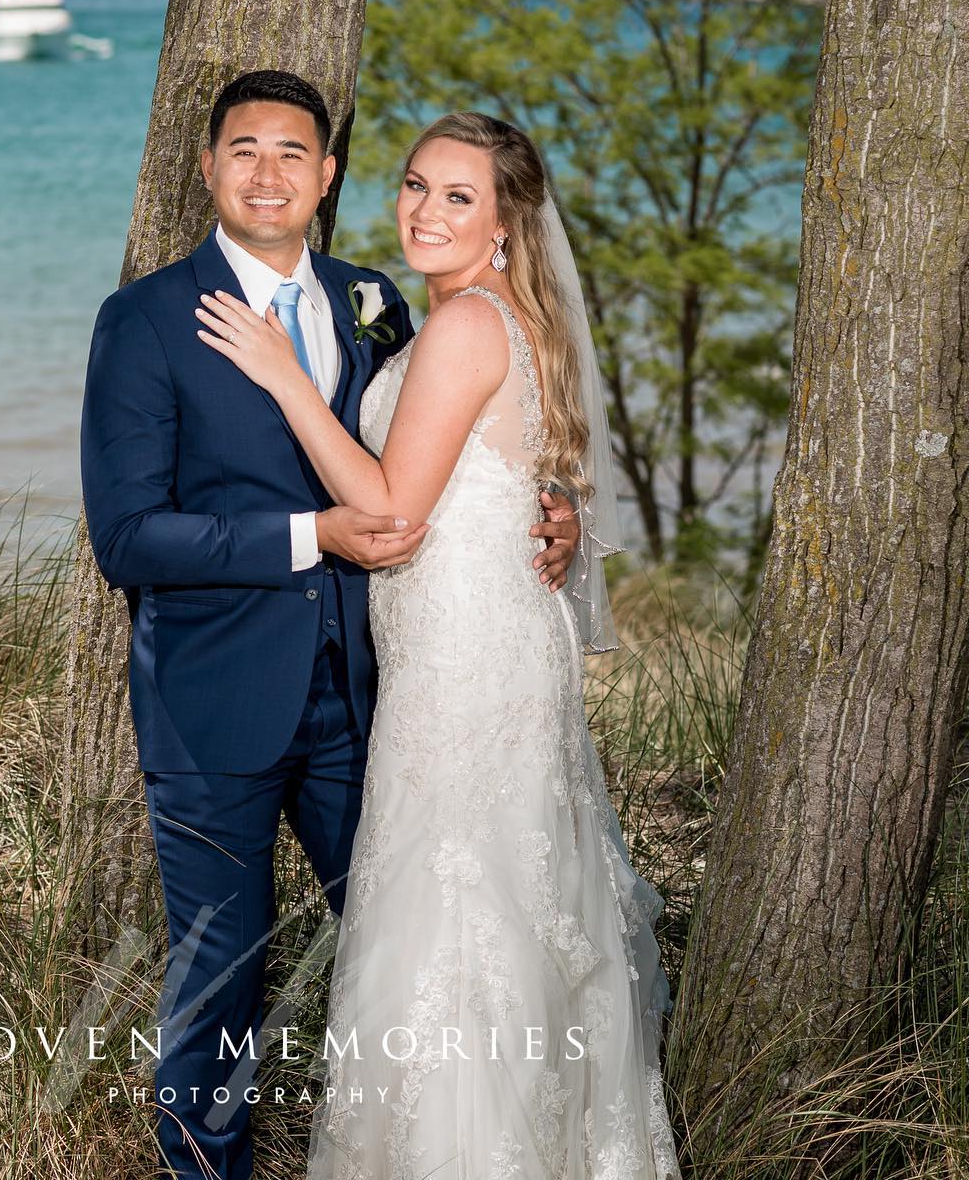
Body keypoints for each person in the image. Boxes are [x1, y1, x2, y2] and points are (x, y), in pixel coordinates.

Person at [80, 73, 582, 1180]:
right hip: (214, 701)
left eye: (293, 153)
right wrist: (312, 535)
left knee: (431, 936)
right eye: (244, 150)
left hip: (384, 696)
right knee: (224, 968)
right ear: (207, 169)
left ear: (328, 176)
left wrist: (549, 511)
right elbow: (129, 539)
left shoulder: (381, 302)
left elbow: (464, 451)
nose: (268, 173)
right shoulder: (150, 320)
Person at [195, 111, 681, 1178]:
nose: (422, 209)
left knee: (451, 914)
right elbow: (510, 476)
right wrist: (549, 510)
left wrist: (281, 374)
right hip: (476, 646)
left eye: (457, 196)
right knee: (493, 902)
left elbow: (391, 508)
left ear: (505, 221)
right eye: (415, 185)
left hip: (464, 662)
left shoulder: (465, 329)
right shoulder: (477, 318)